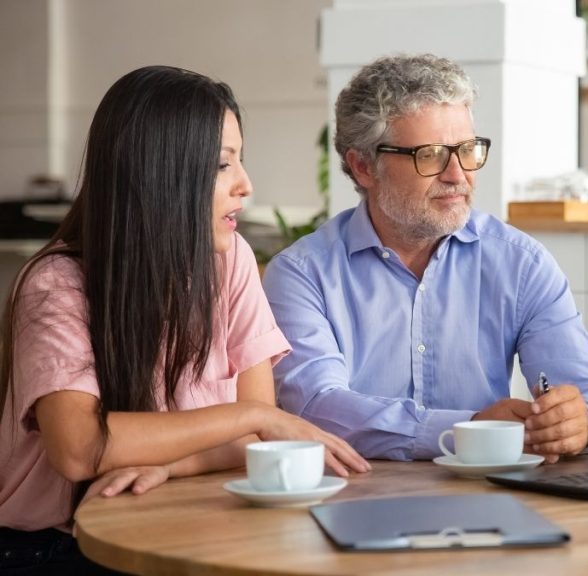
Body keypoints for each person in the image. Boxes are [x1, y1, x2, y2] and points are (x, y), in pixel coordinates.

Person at [0, 65, 369, 575]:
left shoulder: (230, 258)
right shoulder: (57, 284)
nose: (246, 185)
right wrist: (252, 418)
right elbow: (80, 450)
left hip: (179, 509)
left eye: (240, 161)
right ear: (157, 174)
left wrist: (172, 463)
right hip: (54, 548)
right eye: (222, 165)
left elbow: (253, 446)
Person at [262, 54, 588, 461]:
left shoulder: (521, 263)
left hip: (492, 500)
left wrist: (580, 422)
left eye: (467, 150)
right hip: (355, 499)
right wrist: (470, 430)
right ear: (364, 167)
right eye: (431, 155)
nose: (458, 175)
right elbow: (318, 409)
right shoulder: (301, 275)